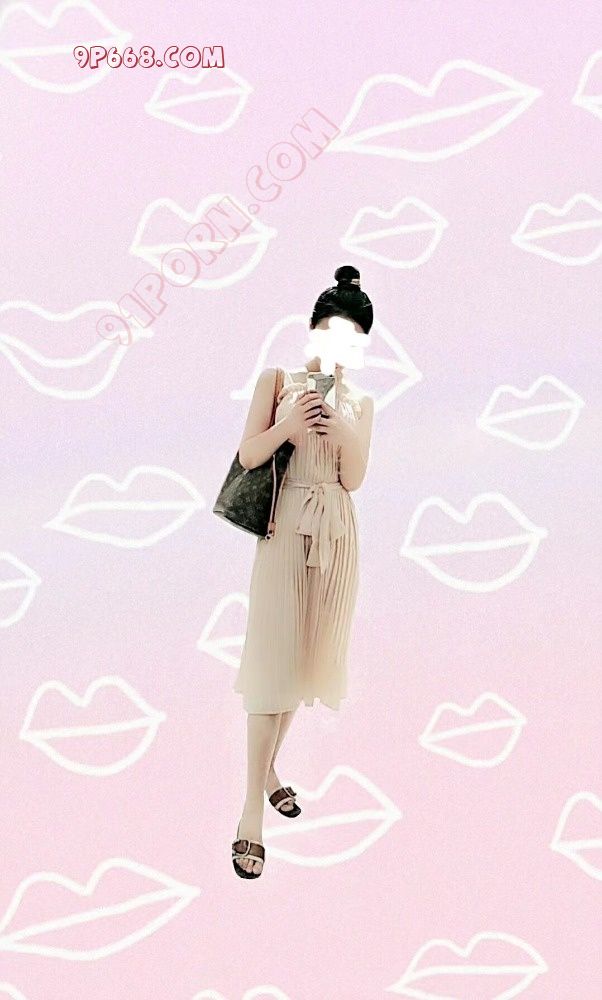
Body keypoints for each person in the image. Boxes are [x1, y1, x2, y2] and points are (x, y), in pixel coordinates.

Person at [231, 265, 375, 878]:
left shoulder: (360, 403)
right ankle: (250, 811)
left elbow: (354, 479)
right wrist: (290, 424)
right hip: (286, 529)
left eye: (354, 338)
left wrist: (343, 430)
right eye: (332, 330)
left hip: (337, 535)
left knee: (305, 662)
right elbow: (248, 455)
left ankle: (268, 772)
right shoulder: (277, 380)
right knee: (273, 664)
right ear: (313, 328)